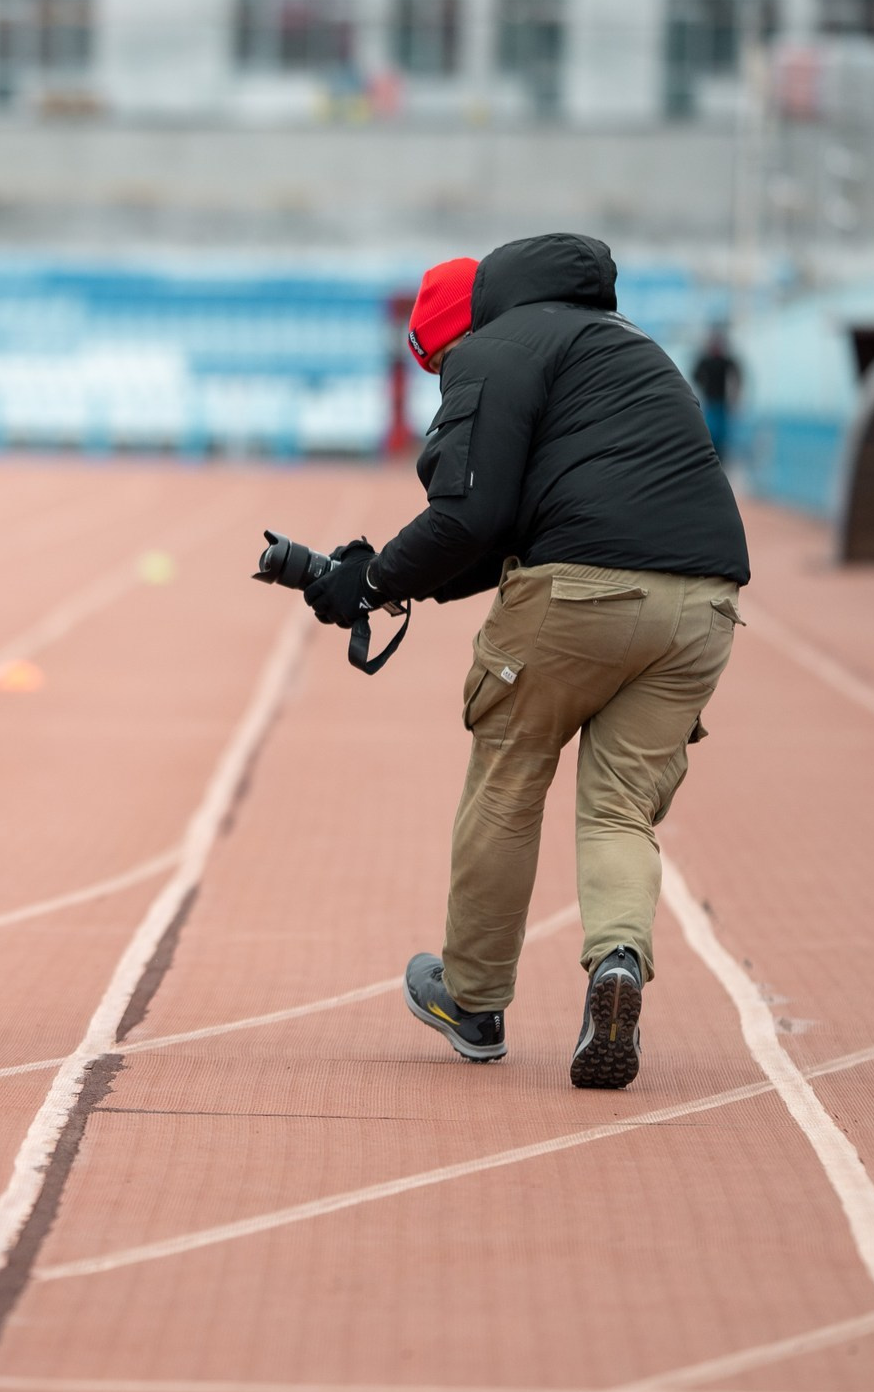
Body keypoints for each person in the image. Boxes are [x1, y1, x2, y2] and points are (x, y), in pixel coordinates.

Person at [300, 235, 748, 1091]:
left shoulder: (491, 350)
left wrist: (371, 582)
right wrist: (391, 581)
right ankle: (616, 961)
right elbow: (507, 523)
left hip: (580, 594)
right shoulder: (628, 347)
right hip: (704, 604)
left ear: (446, 343)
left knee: (508, 781)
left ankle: (471, 998)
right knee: (620, 810)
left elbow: (470, 516)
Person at [692, 321, 743, 460]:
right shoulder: (706, 360)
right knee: (711, 432)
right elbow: (695, 374)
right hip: (710, 402)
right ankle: (713, 457)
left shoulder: (724, 360)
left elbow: (737, 375)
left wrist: (736, 395)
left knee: (722, 434)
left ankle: (721, 459)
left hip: (722, 403)